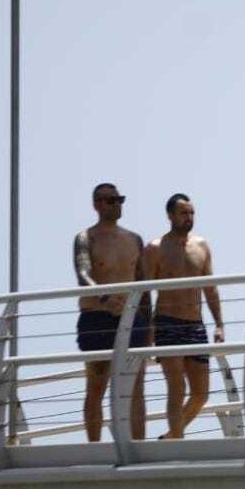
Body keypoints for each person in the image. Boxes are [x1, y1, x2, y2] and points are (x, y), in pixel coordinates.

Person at [73, 182, 152, 443]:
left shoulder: (134, 239)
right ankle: (94, 446)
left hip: (132, 320)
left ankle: (139, 446)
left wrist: (148, 324)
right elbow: (83, 274)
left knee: (136, 385)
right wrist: (105, 298)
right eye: (110, 200)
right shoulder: (86, 238)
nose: (116, 204)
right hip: (97, 318)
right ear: (97, 205)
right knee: (96, 384)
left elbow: (143, 283)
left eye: (119, 199)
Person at [145, 193, 224, 440]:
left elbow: (210, 287)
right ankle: (177, 442)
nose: (189, 218)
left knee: (201, 394)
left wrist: (219, 324)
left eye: (191, 213)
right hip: (167, 322)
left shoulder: (201, 246)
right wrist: (148, 331)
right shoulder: (155, 248)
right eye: (183, 213)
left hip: (195, 325)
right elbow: (144, 293)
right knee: (176, 388)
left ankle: (170, 436)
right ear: (170, 216)